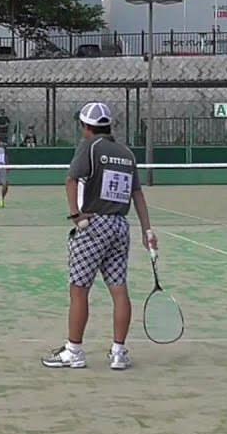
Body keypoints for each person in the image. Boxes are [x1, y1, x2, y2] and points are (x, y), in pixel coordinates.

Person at [42, 102, 158, 371]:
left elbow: (71, 179)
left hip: (93, 225)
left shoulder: (90, 147)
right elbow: (137, 194)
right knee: (119, 290)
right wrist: (147, 229)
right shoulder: (127, 153)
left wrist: (76, 216)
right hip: (120, 226)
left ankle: (74, 351)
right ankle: (118, 353)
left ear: (87, 126)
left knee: (79, 290)